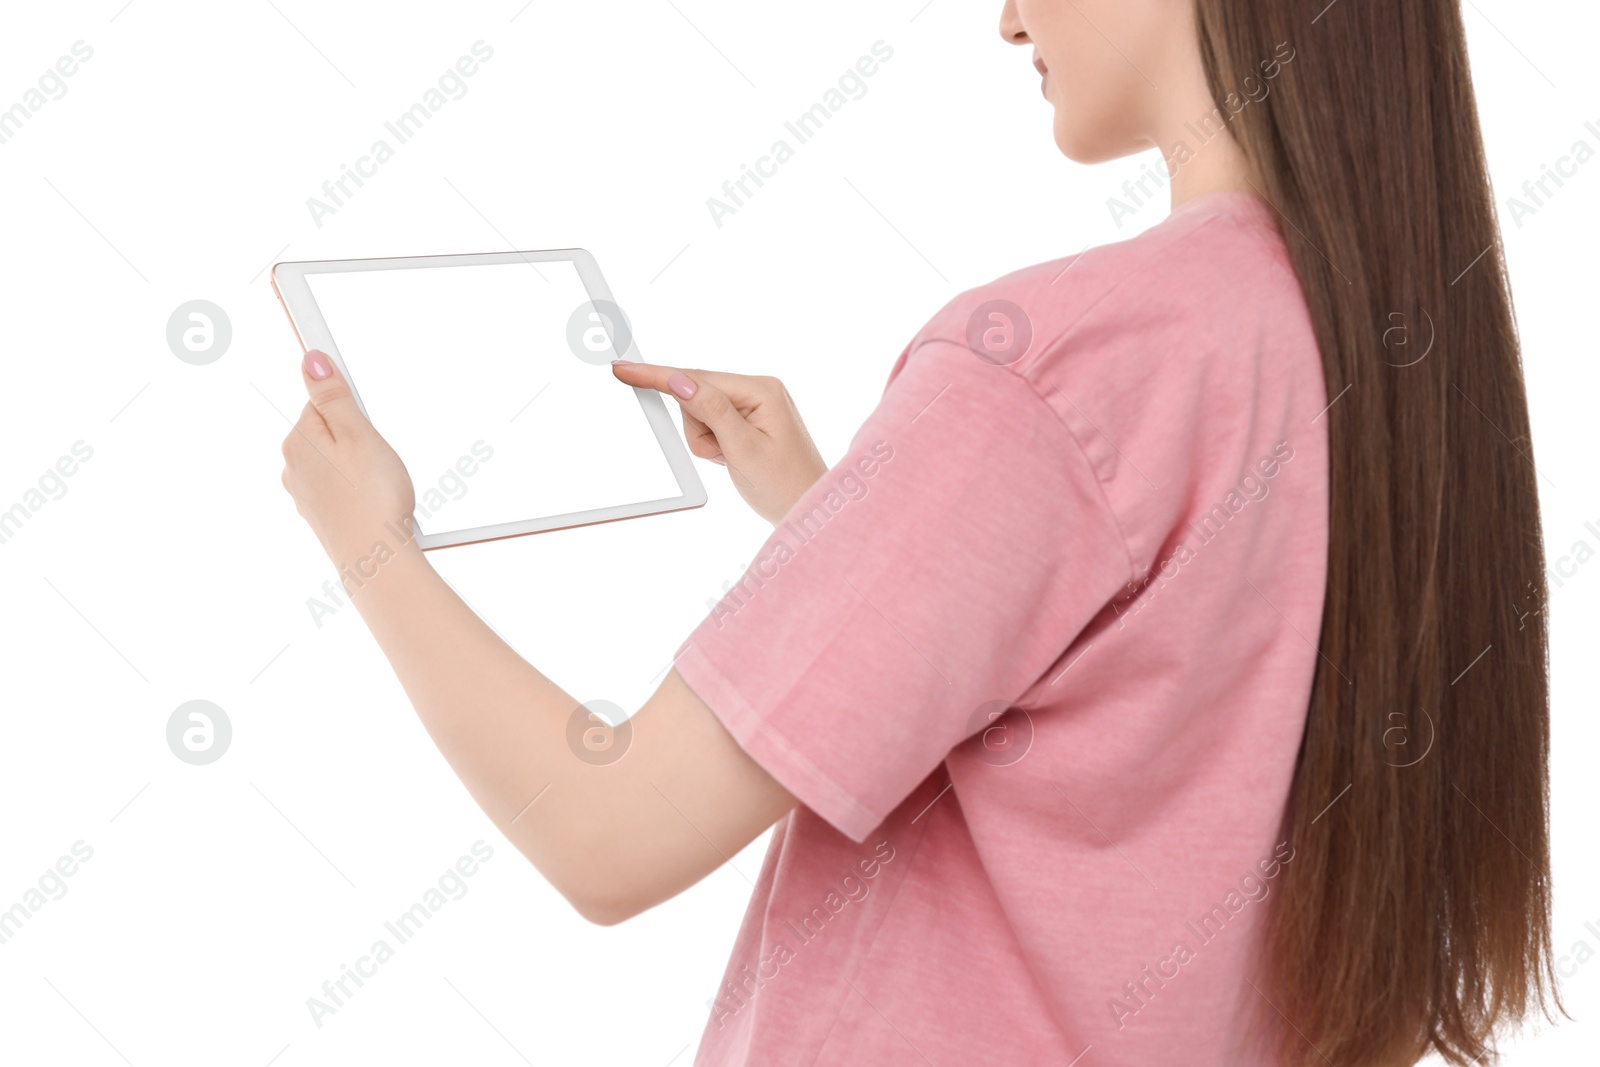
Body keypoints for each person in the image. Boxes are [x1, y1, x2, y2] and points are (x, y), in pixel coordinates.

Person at [279, 0, 1558, 1063]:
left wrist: (372, 543)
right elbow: (1150, 680)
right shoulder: (1389, 373)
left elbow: (607, 827)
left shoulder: (1062, 355)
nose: (1006, 20)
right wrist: (841, 509)